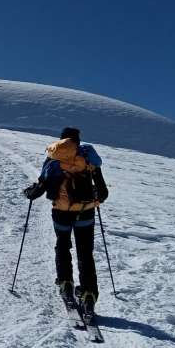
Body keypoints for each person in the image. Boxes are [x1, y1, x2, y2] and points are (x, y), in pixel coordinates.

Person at [22, 127, 109, 315]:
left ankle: (66, 285)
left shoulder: (54, 158)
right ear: (78, 141)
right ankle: (88, 296)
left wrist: (30, 193)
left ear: (61, 140)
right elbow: (103, 193)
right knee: (85, 253)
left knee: (62, 246)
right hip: (85, 213)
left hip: (61, 212)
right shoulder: (89, 159)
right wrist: (94, 198)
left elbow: (41, 187)